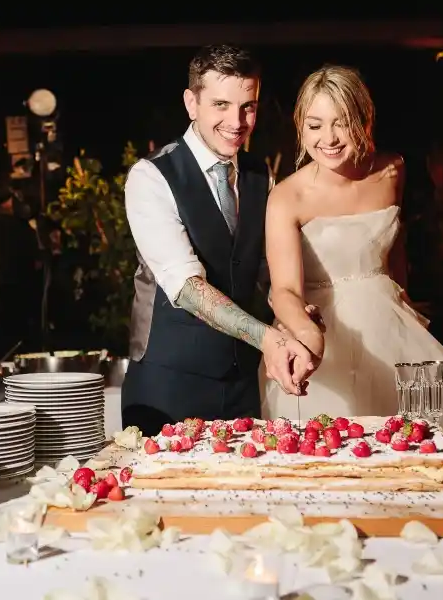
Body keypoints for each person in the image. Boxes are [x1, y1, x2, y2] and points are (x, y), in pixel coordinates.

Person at [122, 45, 317, 436]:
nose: (236, 121)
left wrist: (293, 316)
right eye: (221, 105)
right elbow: (186, 289)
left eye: (248, 107)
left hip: (243, 386)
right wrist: (269, 338)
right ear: (191, 103)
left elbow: (264, 272)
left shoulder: (262, 177)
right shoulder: (151, 177)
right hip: (168, 388)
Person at [261, 65, 443, 432]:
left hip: (392, 334)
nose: (329, 138)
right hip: (322, 339)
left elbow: (394, 247)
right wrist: (309, 336)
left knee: (413, 448)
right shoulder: (286, 196)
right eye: (315, 125)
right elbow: (285, 290)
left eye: (341, 122)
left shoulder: (392, 170)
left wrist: (404, 304)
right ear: (300, 127)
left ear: (364, 119)